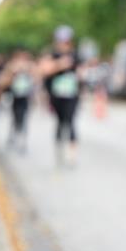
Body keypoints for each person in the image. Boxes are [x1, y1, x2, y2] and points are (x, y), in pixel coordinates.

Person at [40, 26, 84, 167]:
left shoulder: (75, 55)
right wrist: (60, 65)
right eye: (61, 41)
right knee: (59, 122)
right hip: (57, 96)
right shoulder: (52, 54)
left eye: (66, 41)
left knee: (71, 122)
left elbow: (82, 72)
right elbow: (44, 70)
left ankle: (72, 155)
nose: (63, 44)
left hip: (71, 95)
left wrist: (80, 74)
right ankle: (59, 151)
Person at [0, 47, 37, 154]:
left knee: (24, 118)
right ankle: (14, 136)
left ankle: (21, 140)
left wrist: (28, 72)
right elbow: (1, 83)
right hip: (14, 97)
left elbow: (37, 79)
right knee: (15, 117)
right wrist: (12, 75)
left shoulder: (30, 67)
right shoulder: (10, 68)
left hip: (25, 97)